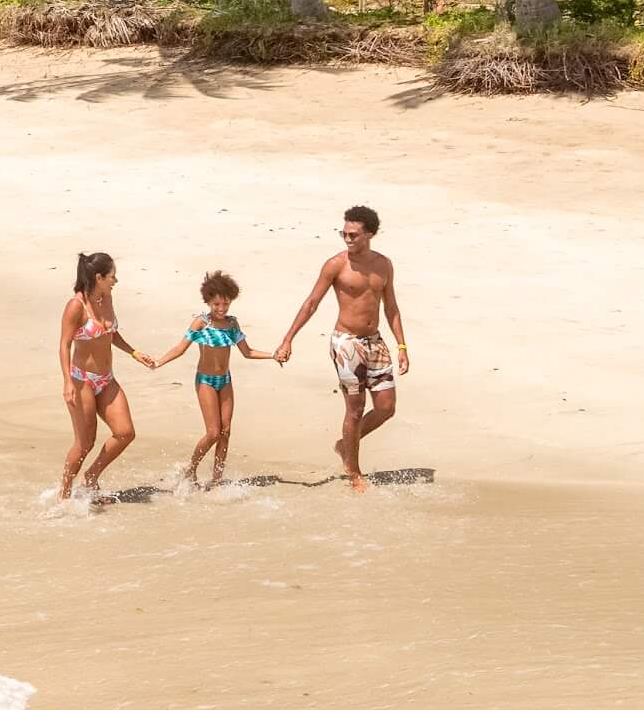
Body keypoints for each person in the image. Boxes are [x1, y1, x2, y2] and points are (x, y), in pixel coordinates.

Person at [272, 205, 408, 491]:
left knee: (386, 407)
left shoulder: (384, 264)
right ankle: (354, 473)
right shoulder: (336, 265)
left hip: (375, 342)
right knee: (355, 410)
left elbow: (391, 307)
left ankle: (343, 445)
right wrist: (288, 339)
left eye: (353, 235)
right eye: (343, 233)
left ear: (369, 234)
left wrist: (402, 345)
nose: (347, 239)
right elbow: (311, 303)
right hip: (346, 344)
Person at [140, 270, 273, 488]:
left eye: (226, 304)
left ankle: (217, 479)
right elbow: (180, 348)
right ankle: (190, 469)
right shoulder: (201, 323)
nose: (221, 309)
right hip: (206, 381)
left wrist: (273, 355)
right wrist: (159, 362)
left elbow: (247, 352)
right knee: (213, 432)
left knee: (226, 431)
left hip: (226, 380)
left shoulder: (232, 324)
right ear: (208, 301)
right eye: (216, 304)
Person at [56, 251, 142, 499]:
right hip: (82, 380)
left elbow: (111, 334)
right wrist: (67, 382)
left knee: (126, 433)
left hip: (106, 379)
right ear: (98, 277)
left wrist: (134, 352)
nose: (116, 281)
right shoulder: (76, 306)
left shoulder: (107, 297)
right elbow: (64, 345)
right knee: (85, 444)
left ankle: (91, 477)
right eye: (112, 276)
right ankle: (63, 496)